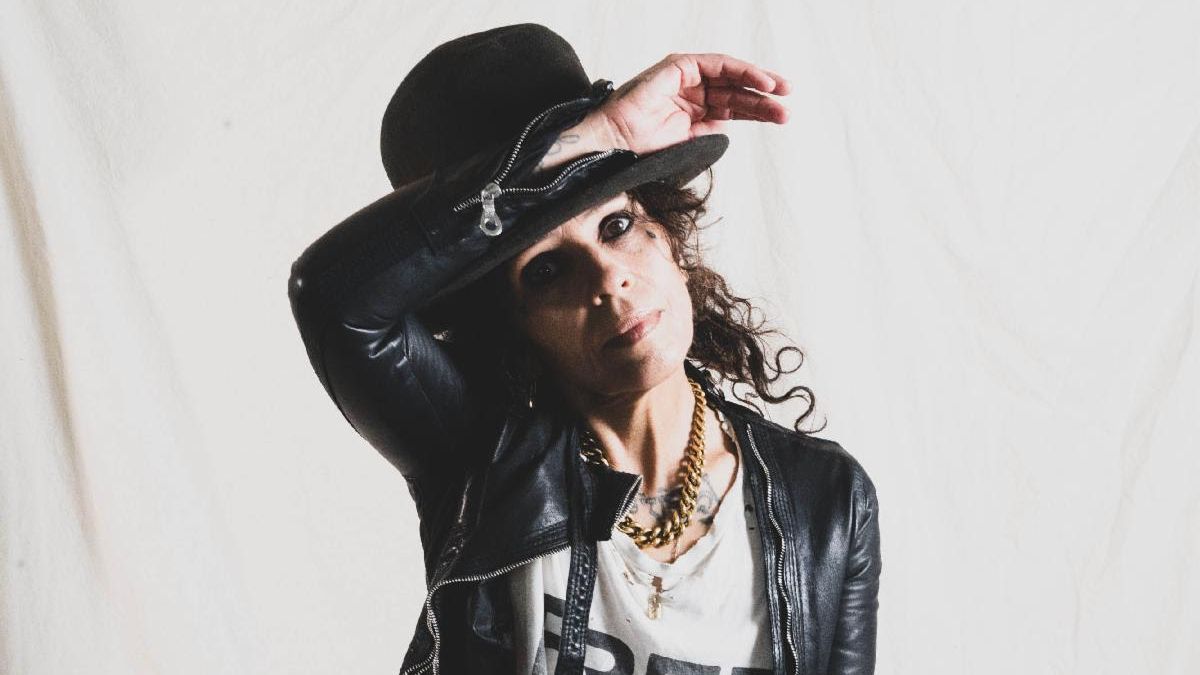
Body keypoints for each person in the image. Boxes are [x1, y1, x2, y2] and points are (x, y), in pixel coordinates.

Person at [287, 23, 881, 675]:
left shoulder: (826, 498)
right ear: (511, 326)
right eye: (546, 271)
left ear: (671, 238)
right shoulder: (481, 458)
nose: (607, 278)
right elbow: (334, 299)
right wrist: (602, 136)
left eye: (617, 225)